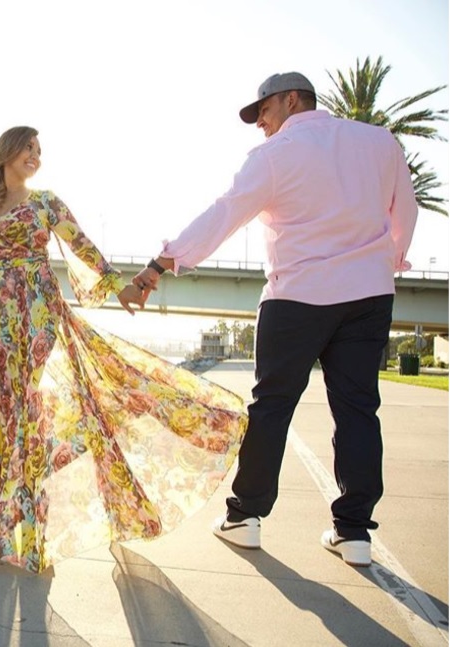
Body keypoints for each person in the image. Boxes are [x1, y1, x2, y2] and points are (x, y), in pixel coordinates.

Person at [132, 72, 418, 567]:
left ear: (291, 101)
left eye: (263, 111)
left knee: (272, 407)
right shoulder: (380, 142)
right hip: (369, 295)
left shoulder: (275, 156)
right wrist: (387, 260)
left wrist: (164, 262)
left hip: (297, 297)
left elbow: (226, 214)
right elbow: (405, 211)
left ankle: (244, 519)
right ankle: (353, 534)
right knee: (357, 410)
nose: (260, 123)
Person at [0, 125, 248, 573]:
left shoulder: (45, 203)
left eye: (39, 151)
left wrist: (118, 287)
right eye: (29, 148)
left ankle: (25, 527)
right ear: (6, 152)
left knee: (22, 413)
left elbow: (81, 245)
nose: (36, 157)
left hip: (33, 315)